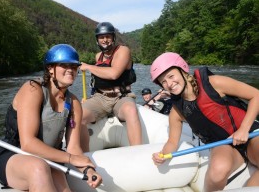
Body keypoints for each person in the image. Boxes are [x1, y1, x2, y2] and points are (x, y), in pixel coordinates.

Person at [0, 44, 102, 192]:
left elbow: (73, 147)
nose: (71, 69)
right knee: (38, 168)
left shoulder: (74, 103)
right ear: (50, 68)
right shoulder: (33, 89)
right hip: (14, 155)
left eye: (74, 66)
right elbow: (28, 144)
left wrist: (87, 169)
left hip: (50, 158)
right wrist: (69, 159)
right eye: (64, 65)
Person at [150, 52, 259, 191]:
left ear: (182, 70)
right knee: (217, 173)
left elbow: (256, 95)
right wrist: (162, 154)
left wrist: (243, 129)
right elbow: (172, 142)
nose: (169, 84)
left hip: (250, 133)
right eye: (163, 81)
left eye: (171, 76)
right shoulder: (176, 112)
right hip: (225, 144)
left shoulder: (214, 83)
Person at [79, 22, 142, 151]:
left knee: (131, 110)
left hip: (121, 97)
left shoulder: (123, 51)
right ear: (97, 40)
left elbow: (114, 74)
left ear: (113, 38)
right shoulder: (98, 56)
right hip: (100, 97)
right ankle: (84, 156)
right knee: (78, 115)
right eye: (101, 37)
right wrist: (89, 97)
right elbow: (99, 79)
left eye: (108, 36)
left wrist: (89, 67)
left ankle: (138, 152)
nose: (105, 40)